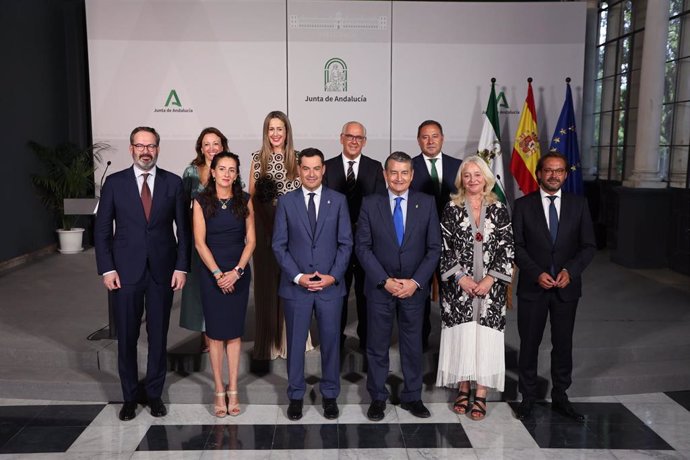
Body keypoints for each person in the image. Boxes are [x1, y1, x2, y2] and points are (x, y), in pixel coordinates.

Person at [94, 126, 190, 421]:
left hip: (163, 271)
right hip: (124, 272)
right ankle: (129, 397)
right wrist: (107, 268)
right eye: (140, 145)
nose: (145, 151)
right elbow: (101, 231)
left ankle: (154, 394)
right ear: (131, 149)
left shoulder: (173, 183)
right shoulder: (114, 183)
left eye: (150, 146)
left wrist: (181, 266)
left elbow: (183, 232)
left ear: (157, 149)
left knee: (158, 335)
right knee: (127, 336)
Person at [356, 151, 441, 422]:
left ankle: (412, 397)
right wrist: (385, 280)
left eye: (405, 173)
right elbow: (363, 247)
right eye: (393, 172)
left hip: (413, 289)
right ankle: (377, 398)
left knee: (413, 345)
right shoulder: (370, 203)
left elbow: (434, 248)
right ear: (385, 174)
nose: (399, 178)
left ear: (412, 175)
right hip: (381, 288)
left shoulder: (426, 203)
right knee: (377, 345)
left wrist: (415, 282)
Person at [513, 151, 596, 422]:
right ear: (539, 174)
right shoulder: (523, 205)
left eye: (559, 171)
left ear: (565, 175)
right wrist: (536, 273)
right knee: (529, 343)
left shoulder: (579, 204)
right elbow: (517, 246)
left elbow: (588, 246)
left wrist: (570, 271)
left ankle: (561, 395)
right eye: (548, 170)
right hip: (533, 287)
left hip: (565, 289)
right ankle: (527, 397)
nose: (553, 175)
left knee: (563, 343)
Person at [272, 148, 353, 421]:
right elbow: (279, 245)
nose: (311, 173)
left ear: (323, 169)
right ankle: (296, 396)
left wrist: (332, 276)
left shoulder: (339, 201)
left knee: (331, 343)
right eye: (305, 168)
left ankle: (330, 395)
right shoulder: (286, 202)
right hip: (297, 287)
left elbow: (346, 243)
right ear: (298, 170)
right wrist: (298, 277)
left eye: (316, 168)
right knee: (295, 344)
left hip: (331, 287)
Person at [435, 156, 514, 420]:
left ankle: (480, 393)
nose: (472, 180)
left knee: (486, 338)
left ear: (486, 178)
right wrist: (461, 278)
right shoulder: (451, 207)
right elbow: (443, 247)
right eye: (467, 175)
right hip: (460, 288)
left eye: (477, 175)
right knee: (464, 336)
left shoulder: (499, 208)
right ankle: (463, 387)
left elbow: (507, 247)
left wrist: (490, 279)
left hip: (491, 290)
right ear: (461, 179)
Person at [193, 151, 255, 417]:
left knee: (234, 333)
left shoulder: (245, 201)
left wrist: (237, 272)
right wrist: (219, 274)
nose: (227, 174)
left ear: (236, 174)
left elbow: (251, 240)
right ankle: (219, 389)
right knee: (216, 334)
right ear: (213, 172)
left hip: (238, 271)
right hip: (211, 273)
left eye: (232, 169)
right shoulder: (201, 201)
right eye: (222, 169)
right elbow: (199, 242)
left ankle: (234, 390)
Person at [249, 110, 313, 360]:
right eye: (271, 129)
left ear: (287, 132)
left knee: (292, 283)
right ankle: (269, 343)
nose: (275, 134)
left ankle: (291, 341)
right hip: (264, 231)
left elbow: (305, 199)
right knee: (266, 285)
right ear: (266, 133)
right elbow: (251, 201)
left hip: (292, 231)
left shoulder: (297, 159)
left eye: (280, 129)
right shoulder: (257, 159)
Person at [323, 121, 386, 350]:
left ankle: (367, 339)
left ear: (364, 141)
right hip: (335, 244)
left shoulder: (375, 167)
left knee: (365, 294)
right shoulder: (327, 167)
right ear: (341, 138)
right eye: (349, 136)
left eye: (358, 137)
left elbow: (380, 208)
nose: (353, 141)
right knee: (336, 294)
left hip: (365, 244)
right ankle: (335, 339)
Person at [410, 120, 462, 349]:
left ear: (442, 138)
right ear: (418, 139)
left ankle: (451, 346)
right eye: (425, 137)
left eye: (434, 136)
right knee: (419, 294)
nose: (430, 141)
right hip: (419, 243)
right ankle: (420, 344)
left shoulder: (459, 166)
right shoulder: (408, 167)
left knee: (452, 294)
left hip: (452, 243)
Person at [179, 127, 229, 353]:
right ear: (201, 147)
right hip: (199, 239)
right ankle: (205, 334)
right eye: (207, 144)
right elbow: (181, 207)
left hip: (223, 238)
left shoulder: (229, 168)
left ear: (222, 146)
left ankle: (222, 331)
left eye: (216, 143)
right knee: (201, 287)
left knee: (223, 285)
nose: (211, 148)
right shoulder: (191, 172)